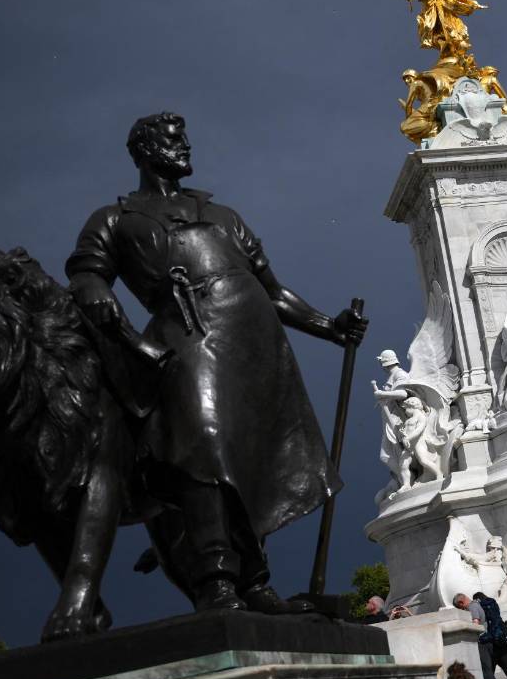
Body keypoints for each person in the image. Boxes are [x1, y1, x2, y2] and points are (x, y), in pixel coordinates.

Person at [66, 112, 367, 613]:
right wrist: (94, 291)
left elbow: (274, 292)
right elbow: (85, 272)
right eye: (172, 139)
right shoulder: (114, 218)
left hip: (254, 344)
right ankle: (215, 579)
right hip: (186, 334)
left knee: (248, 459)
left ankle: (255, 583)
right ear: (144, 150)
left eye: (185, 138)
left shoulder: (223, 215)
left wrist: (329, 327)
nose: (184, 146)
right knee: (203, 447)